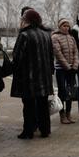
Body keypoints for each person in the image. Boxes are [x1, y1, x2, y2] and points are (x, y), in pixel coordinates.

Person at [11, 10, 54, 139]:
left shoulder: (24, 35)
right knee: (43, 105)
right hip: (44, 78)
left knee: (28, 106)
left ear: (26, 20)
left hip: (29, 77)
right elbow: (51, 56)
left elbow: (17, 56)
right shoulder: (46, 34)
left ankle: (28, 131)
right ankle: (45, 130)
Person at [51, 18, 79, 124]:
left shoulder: (71, 38)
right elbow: (58, 53)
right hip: (61, 69)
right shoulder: (55, 37)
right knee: (62, 91)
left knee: (70, 92)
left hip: (71, 69)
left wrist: (75, 66)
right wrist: (67, 66)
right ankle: (62, 116)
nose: (66, 28)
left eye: (67, 26)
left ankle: (68, 114)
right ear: (59, 26)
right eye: (64, 25)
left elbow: (76, 52)